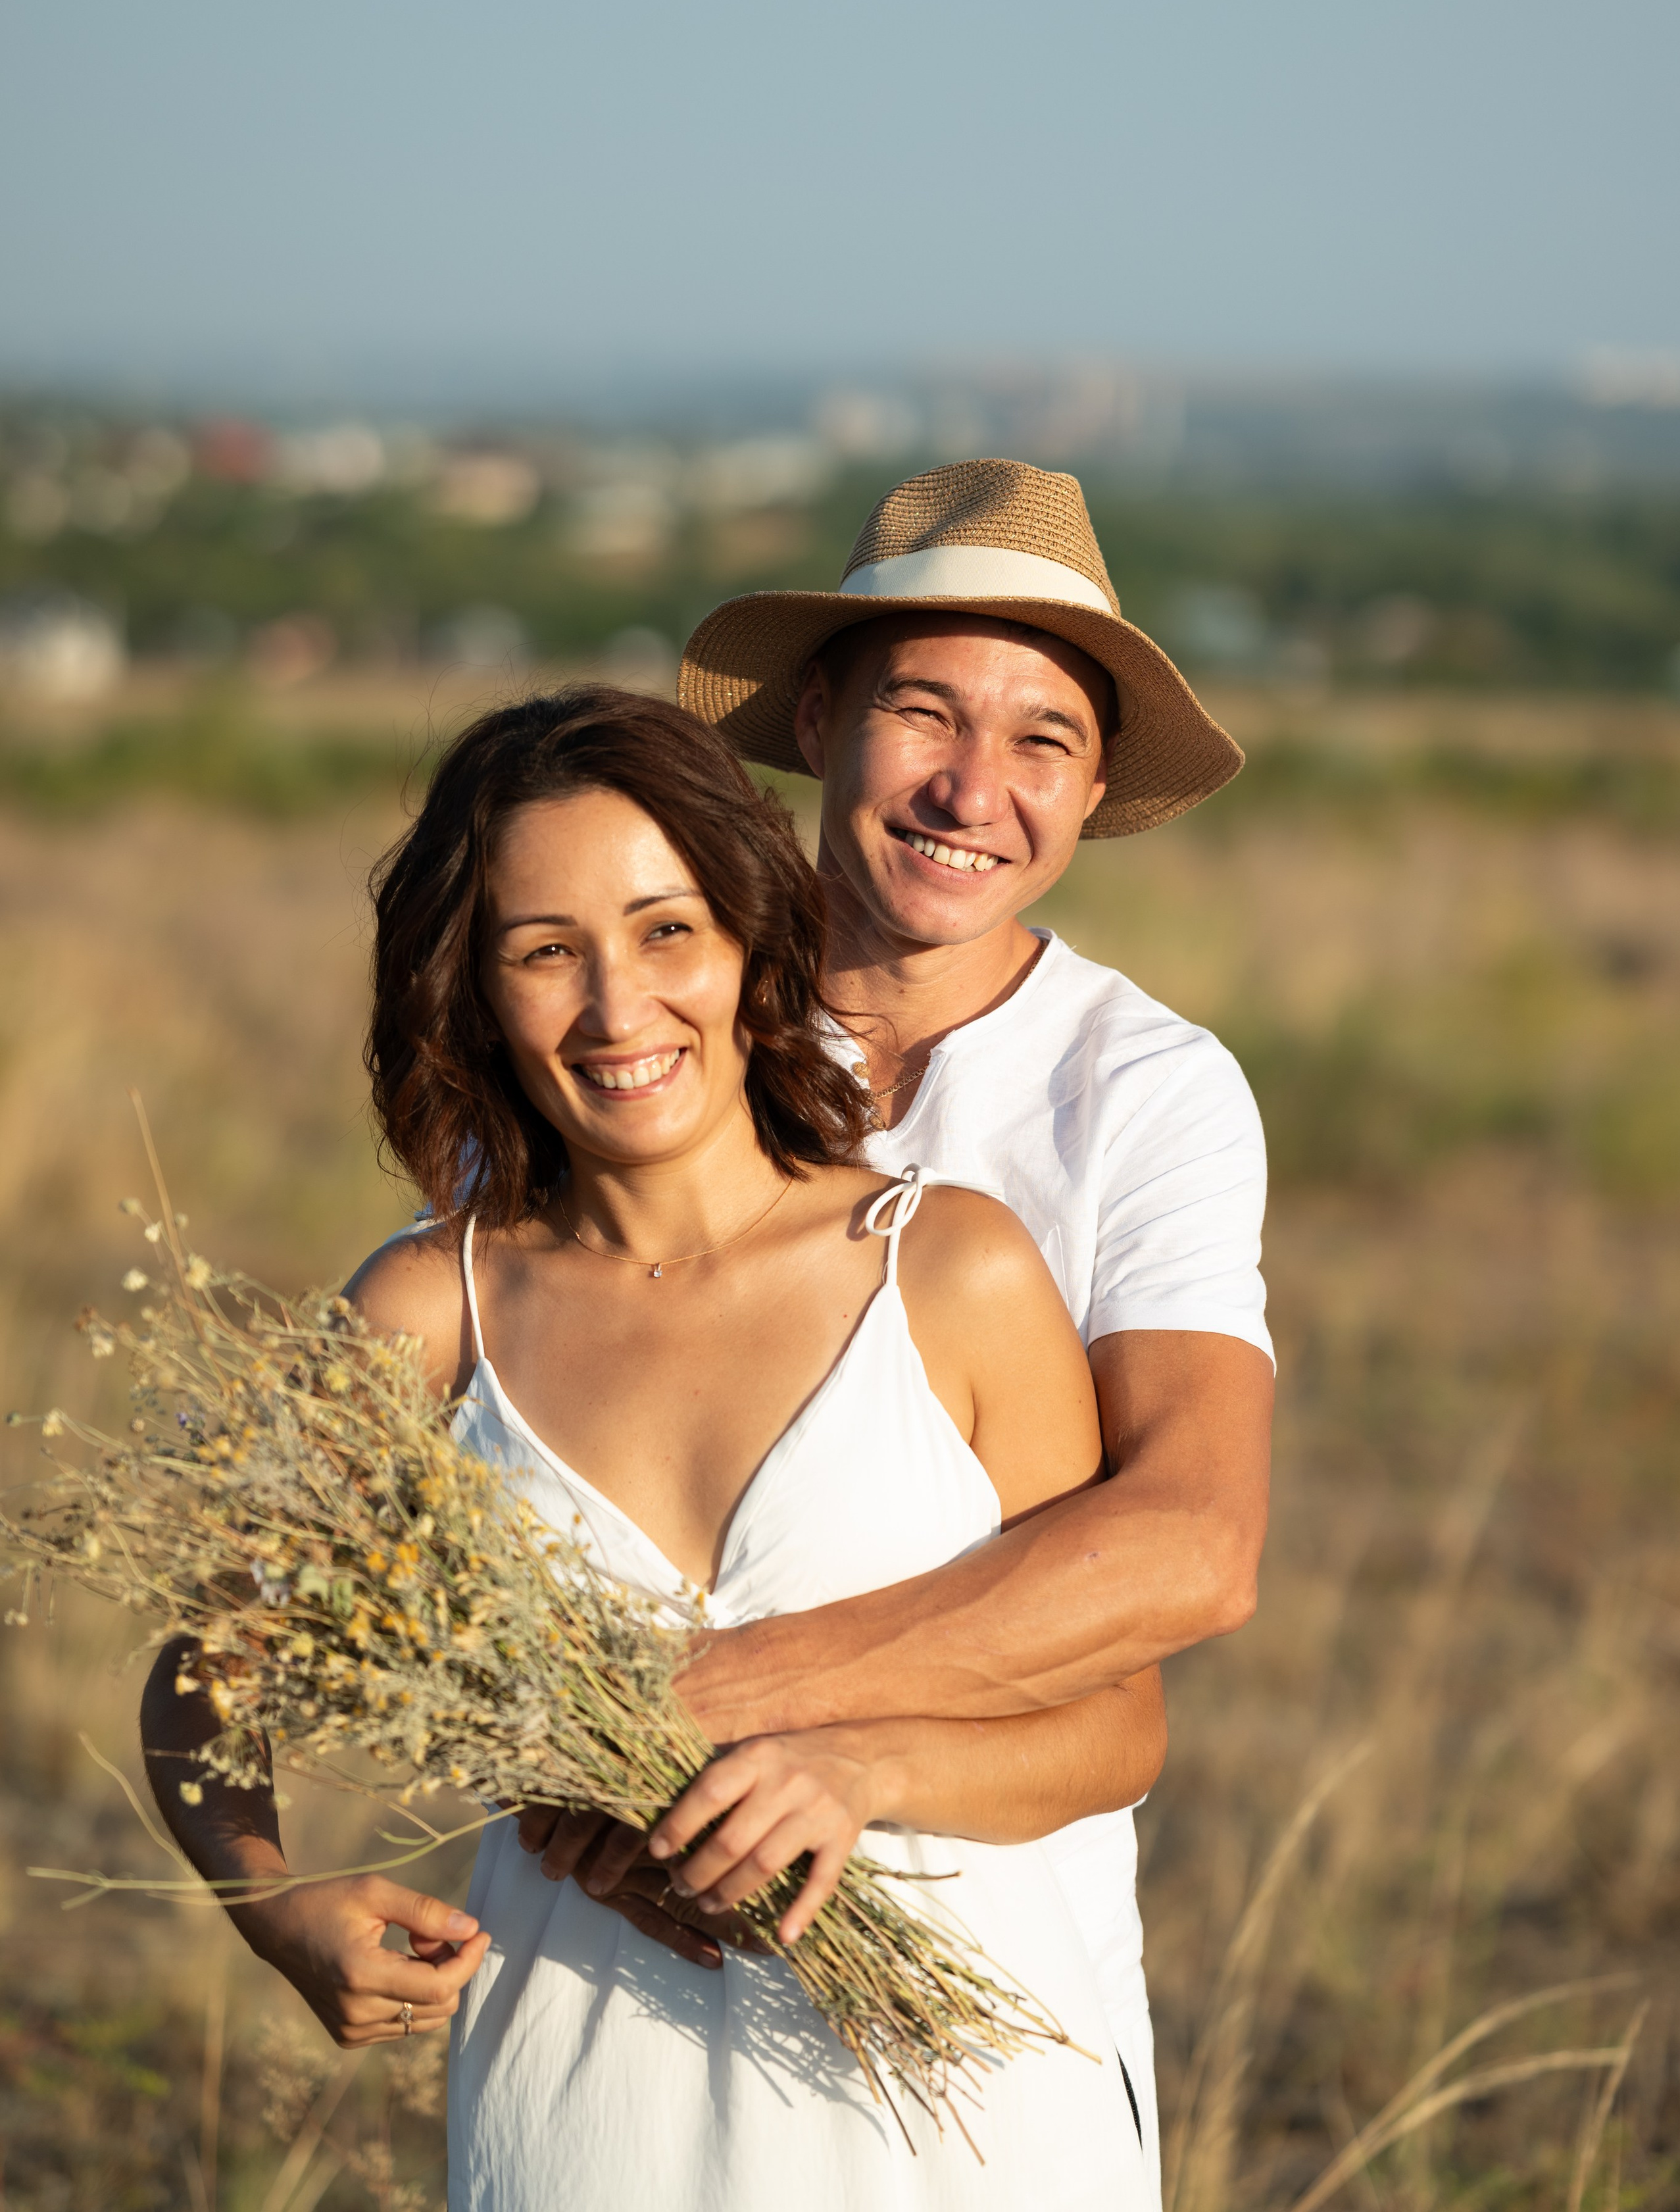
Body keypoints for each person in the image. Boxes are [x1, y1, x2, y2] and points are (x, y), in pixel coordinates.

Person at [142, 687, 1164, 2211]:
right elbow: (205, 1663)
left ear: (750, 939)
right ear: (475, 991)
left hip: (969, 2115)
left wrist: (865, 1765)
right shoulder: (435, 1307)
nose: (620, 1011)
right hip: (586, 2097)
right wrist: (276, 1905)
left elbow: (1120, 1729)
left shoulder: (950, 1269)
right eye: (545, 952)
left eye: (665, 931)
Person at [578, 455, 1273, 2199]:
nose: (978, 785)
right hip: (603, 1953)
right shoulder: (639, 1033)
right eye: (925, 711)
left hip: (979, 1971)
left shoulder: (1144, 1091)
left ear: (1097, 784)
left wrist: (694, 1711)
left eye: (1045, 737)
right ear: (816, 718)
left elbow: (1192, 1544)